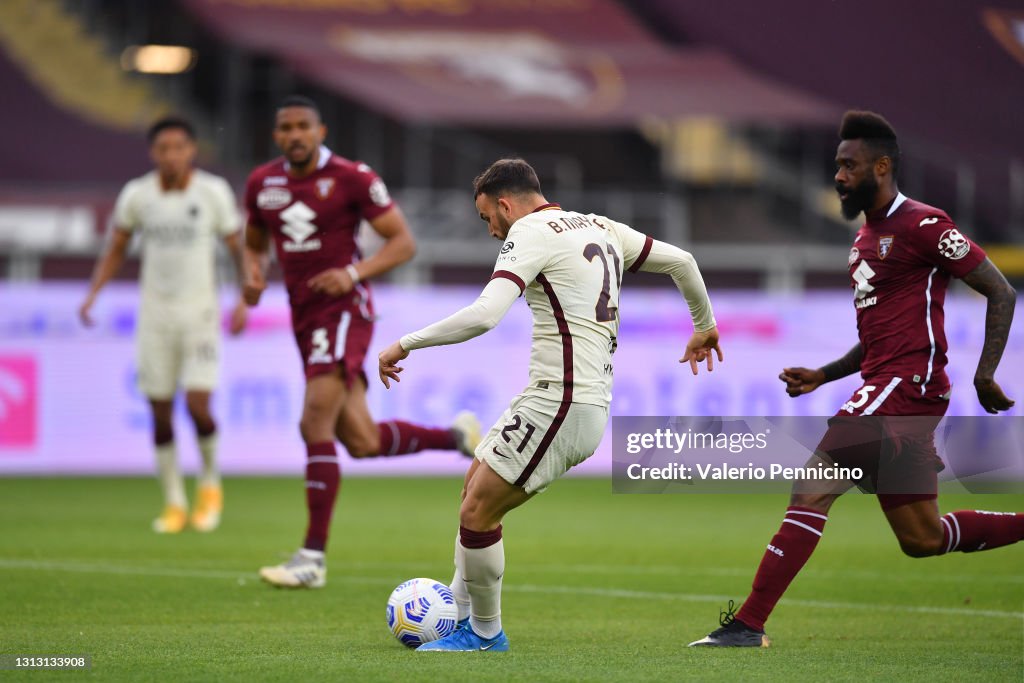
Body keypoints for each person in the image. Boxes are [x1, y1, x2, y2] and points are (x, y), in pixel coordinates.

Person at [690, 111, 1021, 648]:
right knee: (922, 538)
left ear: (882, 166)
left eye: (849, 165)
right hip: (892, 385)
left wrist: (985, 374)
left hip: (906, 386)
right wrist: (824, 374)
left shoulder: (925, 225)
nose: (839, 176)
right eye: (837, 165)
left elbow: (1001, 290)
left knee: (813, 487)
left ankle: (748, 624)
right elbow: (878, 335)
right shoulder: (866, 237)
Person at [377, 157, 722, 651]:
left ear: (504, 205)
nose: (492, 232)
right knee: (473, 489)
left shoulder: (530, 231)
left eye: (487, 220)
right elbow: (683, 262)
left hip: (562, 401)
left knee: (478, 511)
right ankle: (454, 614)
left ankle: (484, 634)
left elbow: (485, 314)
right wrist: (704, 324)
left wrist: (405, 343)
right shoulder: (600, 226)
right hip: (560, 397)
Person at [243, 95, 481, 589]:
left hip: (345, 310)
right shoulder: (261, 184)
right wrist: (251, 275)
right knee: (361, 440)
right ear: (275, 136)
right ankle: (457, 437)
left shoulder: (352, 178)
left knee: (314, 421)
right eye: (285, 128)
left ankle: (311, 559)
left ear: (320, 130)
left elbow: (403, 242)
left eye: (302, 126)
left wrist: (352, 273)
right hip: (304, 316)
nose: (294, 136)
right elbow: (253, 241)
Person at [80, 116, 247, 534]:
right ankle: (174, 501)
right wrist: (94, 292)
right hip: (154, 316)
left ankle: (210, 481)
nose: (171, 155)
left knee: (197, 405)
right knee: (159, 411)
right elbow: (117, 246)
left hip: (200, 314)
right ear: (153, 153)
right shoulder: (138, 195)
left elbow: (237, 248)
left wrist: (245, 297)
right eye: (163, 148)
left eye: (179, 147)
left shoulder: (212, 192)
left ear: (192, 150)